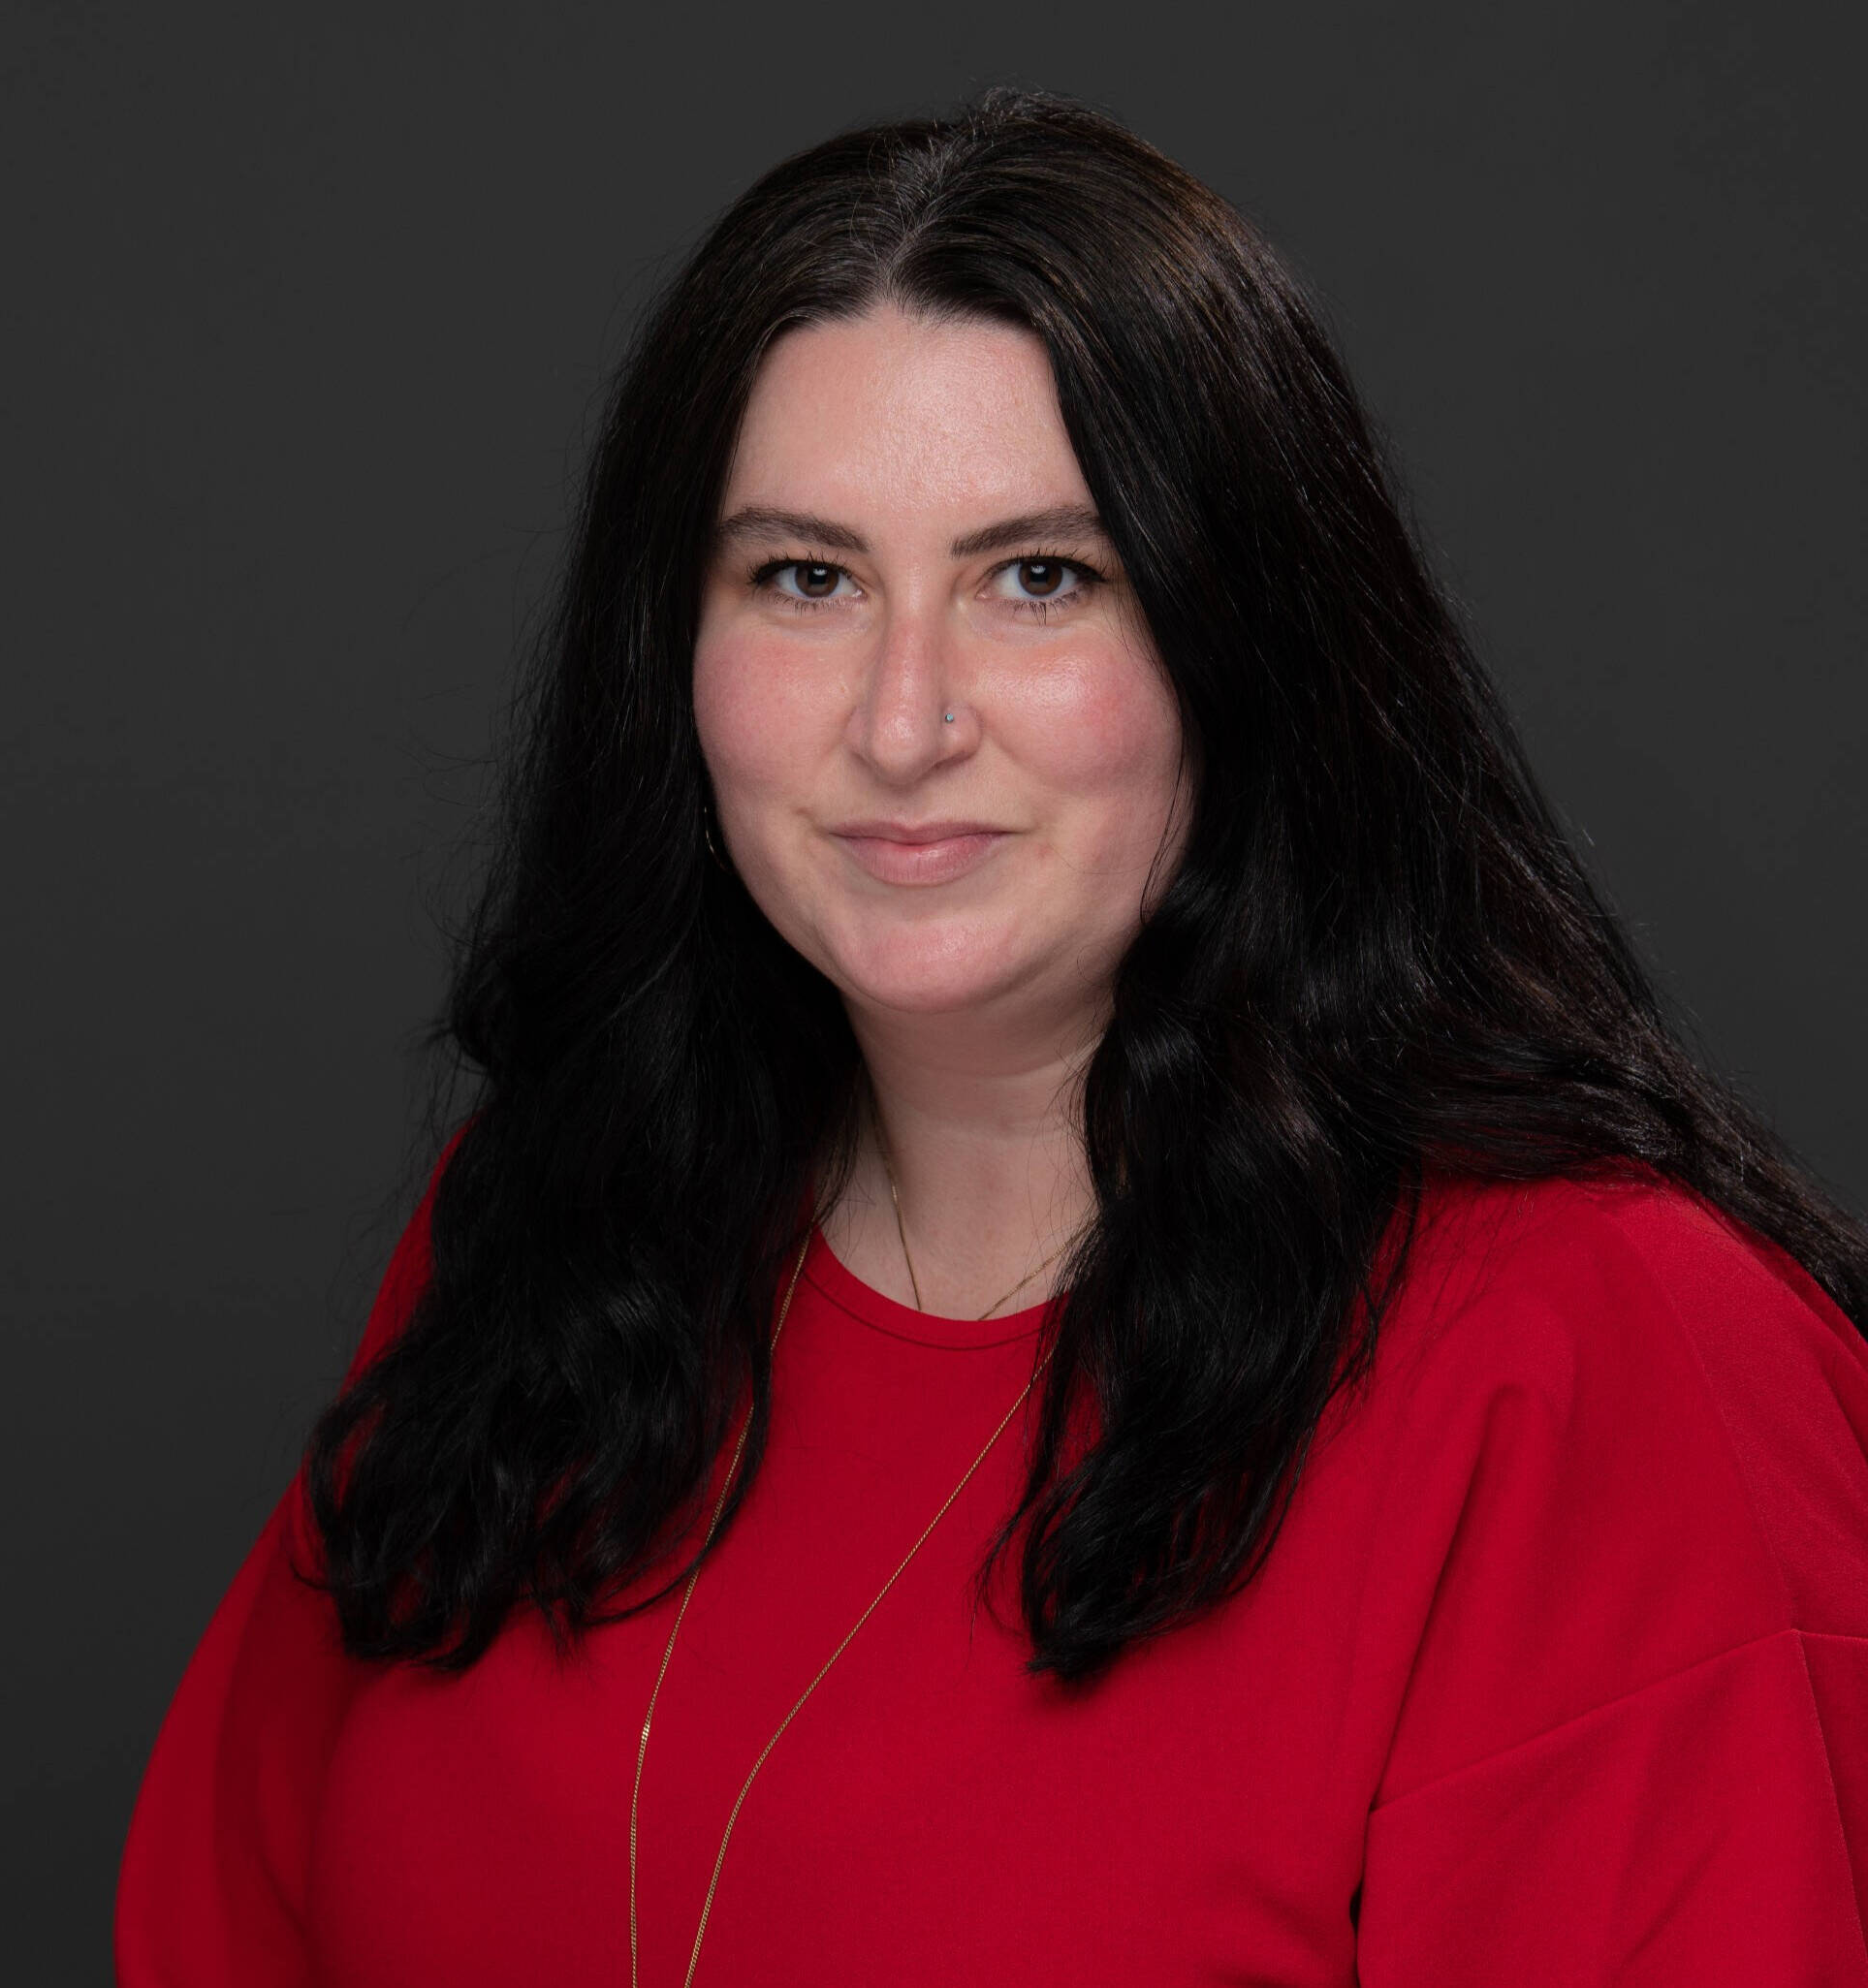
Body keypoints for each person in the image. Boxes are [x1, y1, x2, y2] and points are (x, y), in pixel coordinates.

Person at [115, 88, 1868, 1986]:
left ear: (1248, 642)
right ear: (672, 654)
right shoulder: (553, 1230)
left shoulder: (1595, 1362)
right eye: (804, 578)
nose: (901, 718)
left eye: (1040, 577)